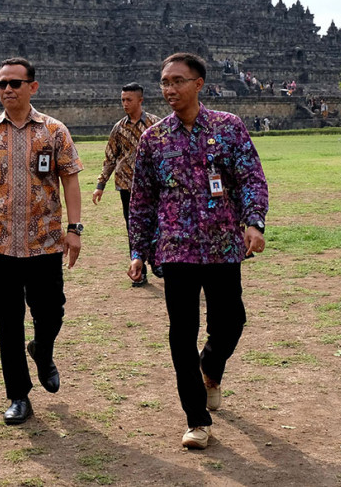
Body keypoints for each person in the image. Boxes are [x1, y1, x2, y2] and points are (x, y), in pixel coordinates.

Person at [128, 52, 268, 450]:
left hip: (224, 245)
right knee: (181, 334)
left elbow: (251, 178)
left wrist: (254, 222)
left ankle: (210, 366)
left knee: (231, 321)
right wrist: (138, 250)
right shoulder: (153, 138)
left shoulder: (229, 127)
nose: (169, 89)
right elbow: (142, 201)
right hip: (176, 250)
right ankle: (197, 419)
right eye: (164, 82)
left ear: (198, 84)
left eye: (177, 81)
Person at [0, 57, 83, 426]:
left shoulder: (54, 131)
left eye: (15, 83)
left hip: (45, 242)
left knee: (52, 312)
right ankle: (18, 394)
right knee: (7, 323)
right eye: (2, 84)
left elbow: (70, 180)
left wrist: (74, 229)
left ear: (33, 87)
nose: (8, 90)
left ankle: (42, 351)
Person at [90, 82, 161, 286]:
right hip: (126, 186)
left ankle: (157, 259)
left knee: (157, 224)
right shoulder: (119, 128)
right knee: (133, 228)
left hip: (152, 186)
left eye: (129, 100)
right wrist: (100, 185)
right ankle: (140, 270)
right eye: (122, 100)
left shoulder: (155, 125)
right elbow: (110, 157)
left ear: (140, 100)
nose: (125, 104)